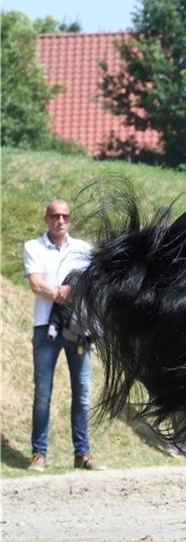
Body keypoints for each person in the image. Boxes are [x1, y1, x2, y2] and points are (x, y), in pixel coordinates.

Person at [22, 199, 103, 471]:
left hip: (79, 327)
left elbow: (92, 280)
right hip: (46, 326)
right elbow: (36, 283)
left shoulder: (82, 249)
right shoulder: (33, 247)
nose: (60, 220)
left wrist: (74, 290)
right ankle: (38, 453)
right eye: (55, 215)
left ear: (70, 219)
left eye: (65, 216)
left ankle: (83, 453)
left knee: (82, 392)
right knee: (43, 393)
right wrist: (64, 292)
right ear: (46, 218)